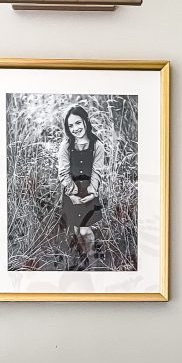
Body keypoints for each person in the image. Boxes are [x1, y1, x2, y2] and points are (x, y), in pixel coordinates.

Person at [57, 105, 105, 264]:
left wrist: (92, 191)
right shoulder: (66, 145)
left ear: (85, 121)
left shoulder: (97, 145)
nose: (75, 128)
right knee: (77, 229)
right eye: (70, 126)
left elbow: (97, 170)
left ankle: (92, 258)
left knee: (85, 228)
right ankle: (83, 256)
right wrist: (71, 193)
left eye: (78, 123)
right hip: (71, 192)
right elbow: (63, 172)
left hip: (88, 191)